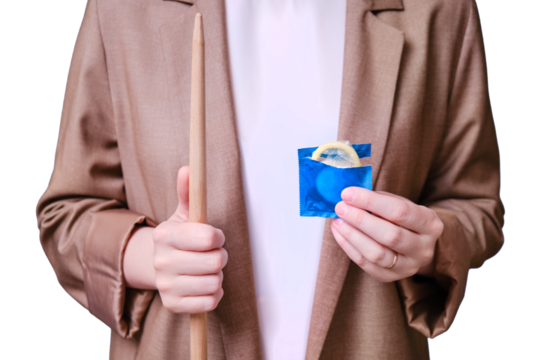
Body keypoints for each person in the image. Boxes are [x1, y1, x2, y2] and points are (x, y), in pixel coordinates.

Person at [36, 0, 504, 359]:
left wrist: (432, 245)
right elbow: (66, 214)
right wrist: (146, 256)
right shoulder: (122, 10)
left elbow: (476, 205)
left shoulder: (439, 9)